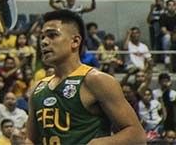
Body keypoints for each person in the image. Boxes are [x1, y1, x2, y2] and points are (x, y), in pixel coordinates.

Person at [26, 9, 146, 144]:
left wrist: (100, 143)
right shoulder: (38, 88)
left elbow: (137, 136)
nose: (44, 42)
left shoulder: (96, 80)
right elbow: (31, 139)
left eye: (52, 35)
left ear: (75, 41)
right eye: (42, 37)